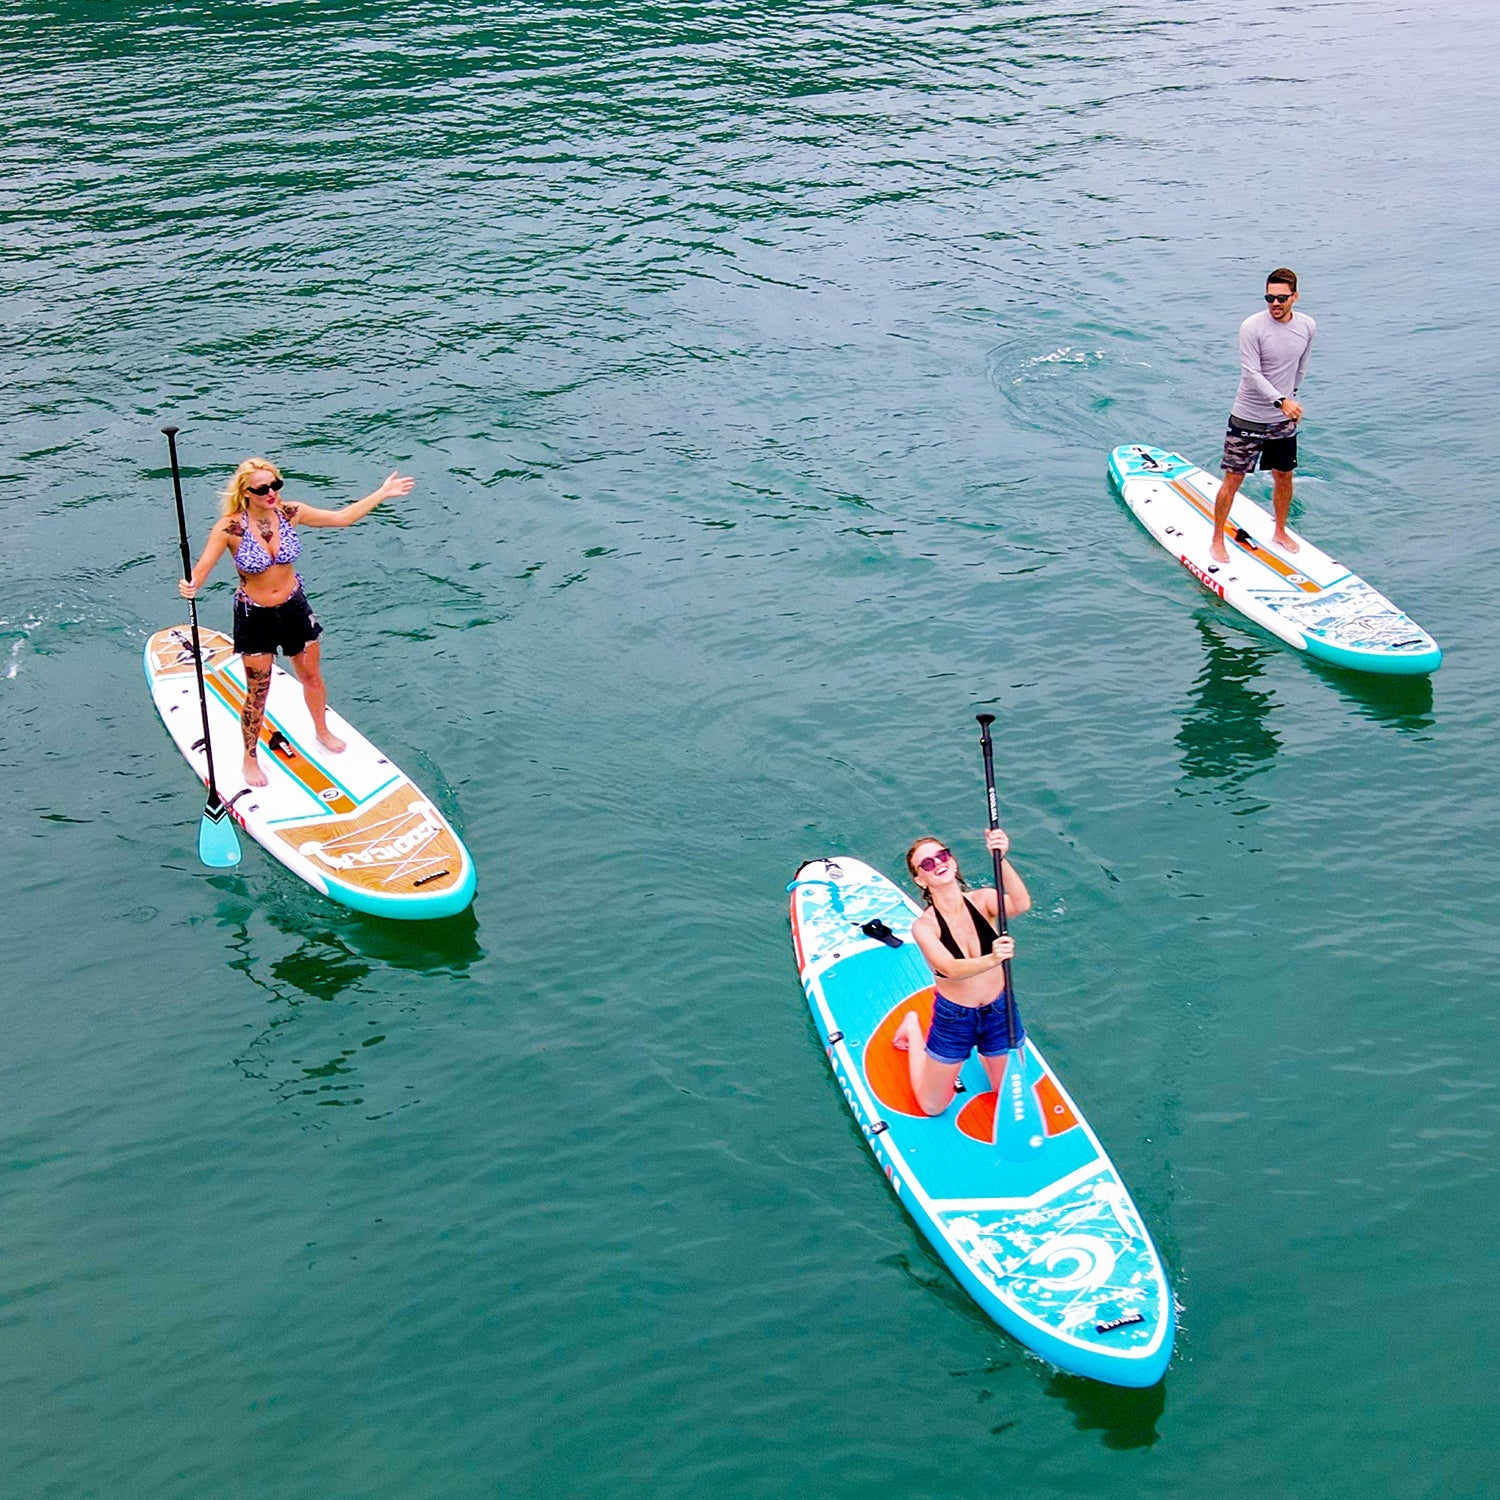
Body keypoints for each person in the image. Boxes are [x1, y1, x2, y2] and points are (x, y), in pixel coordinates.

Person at [178, 458, 415, 788]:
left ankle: (321, 730)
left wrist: (382, 493)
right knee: (258, 693)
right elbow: (203, 568)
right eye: (263, 488)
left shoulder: (291, 513)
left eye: (276, 484)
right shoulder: (230, 527)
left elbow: (343, 518)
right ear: (245, 492)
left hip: (294, 608)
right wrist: (191, 584)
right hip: (255, 616)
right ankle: (249, 758)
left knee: (312, 676)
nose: (272, 492)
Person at [893, 831, 1033, 1116]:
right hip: (955, 1018)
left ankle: (989, 1052)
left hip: (999, 1011)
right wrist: (993, 958)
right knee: (932, 1107)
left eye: (942, 855)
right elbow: (949, 968)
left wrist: (1001, 858)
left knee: (1006, 1090)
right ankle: (912, 1027)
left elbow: (1021, 904)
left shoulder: (983, 901)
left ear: (953, 862)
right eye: (927, 864)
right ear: (920, 880)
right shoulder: (924, 926)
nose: (938, 863)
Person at [1209, 267, 1316, 564]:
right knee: (1233, 479)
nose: (1275, 304)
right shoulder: (1252, 327)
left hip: (1282, 419)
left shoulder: (1307, 326)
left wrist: (1290, 400)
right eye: (1269, 297)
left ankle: (1280, 531)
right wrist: (1281, 401)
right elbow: (1252, 373)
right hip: (1247, 418)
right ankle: (1217, 538)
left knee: (1284, 476)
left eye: (1282, 298)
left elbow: (1300, 367)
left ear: (1295, 296)